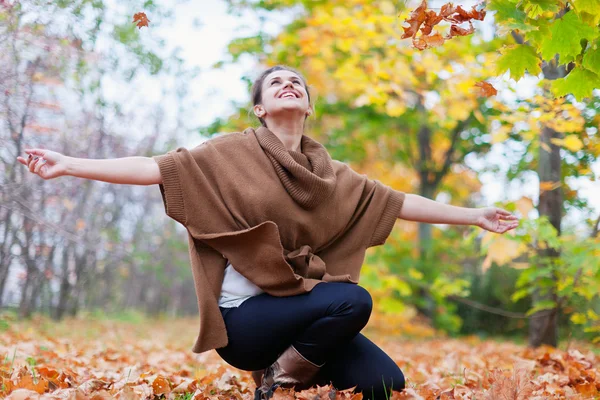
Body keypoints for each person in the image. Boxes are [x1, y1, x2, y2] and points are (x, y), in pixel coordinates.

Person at [17, 65, 519, 400]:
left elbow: (397, 203)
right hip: (244, 324)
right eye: (275, 82)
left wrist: (473, 215)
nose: (288, 84)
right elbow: (156, 168)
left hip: (298, 313)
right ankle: (277, 382)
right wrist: (70, 165)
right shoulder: (230, 153)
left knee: (385, 383)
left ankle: (286, 372)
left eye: (296, 81)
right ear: (259, 108)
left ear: (308, 106)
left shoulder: (331, 174)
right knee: (354, 301)